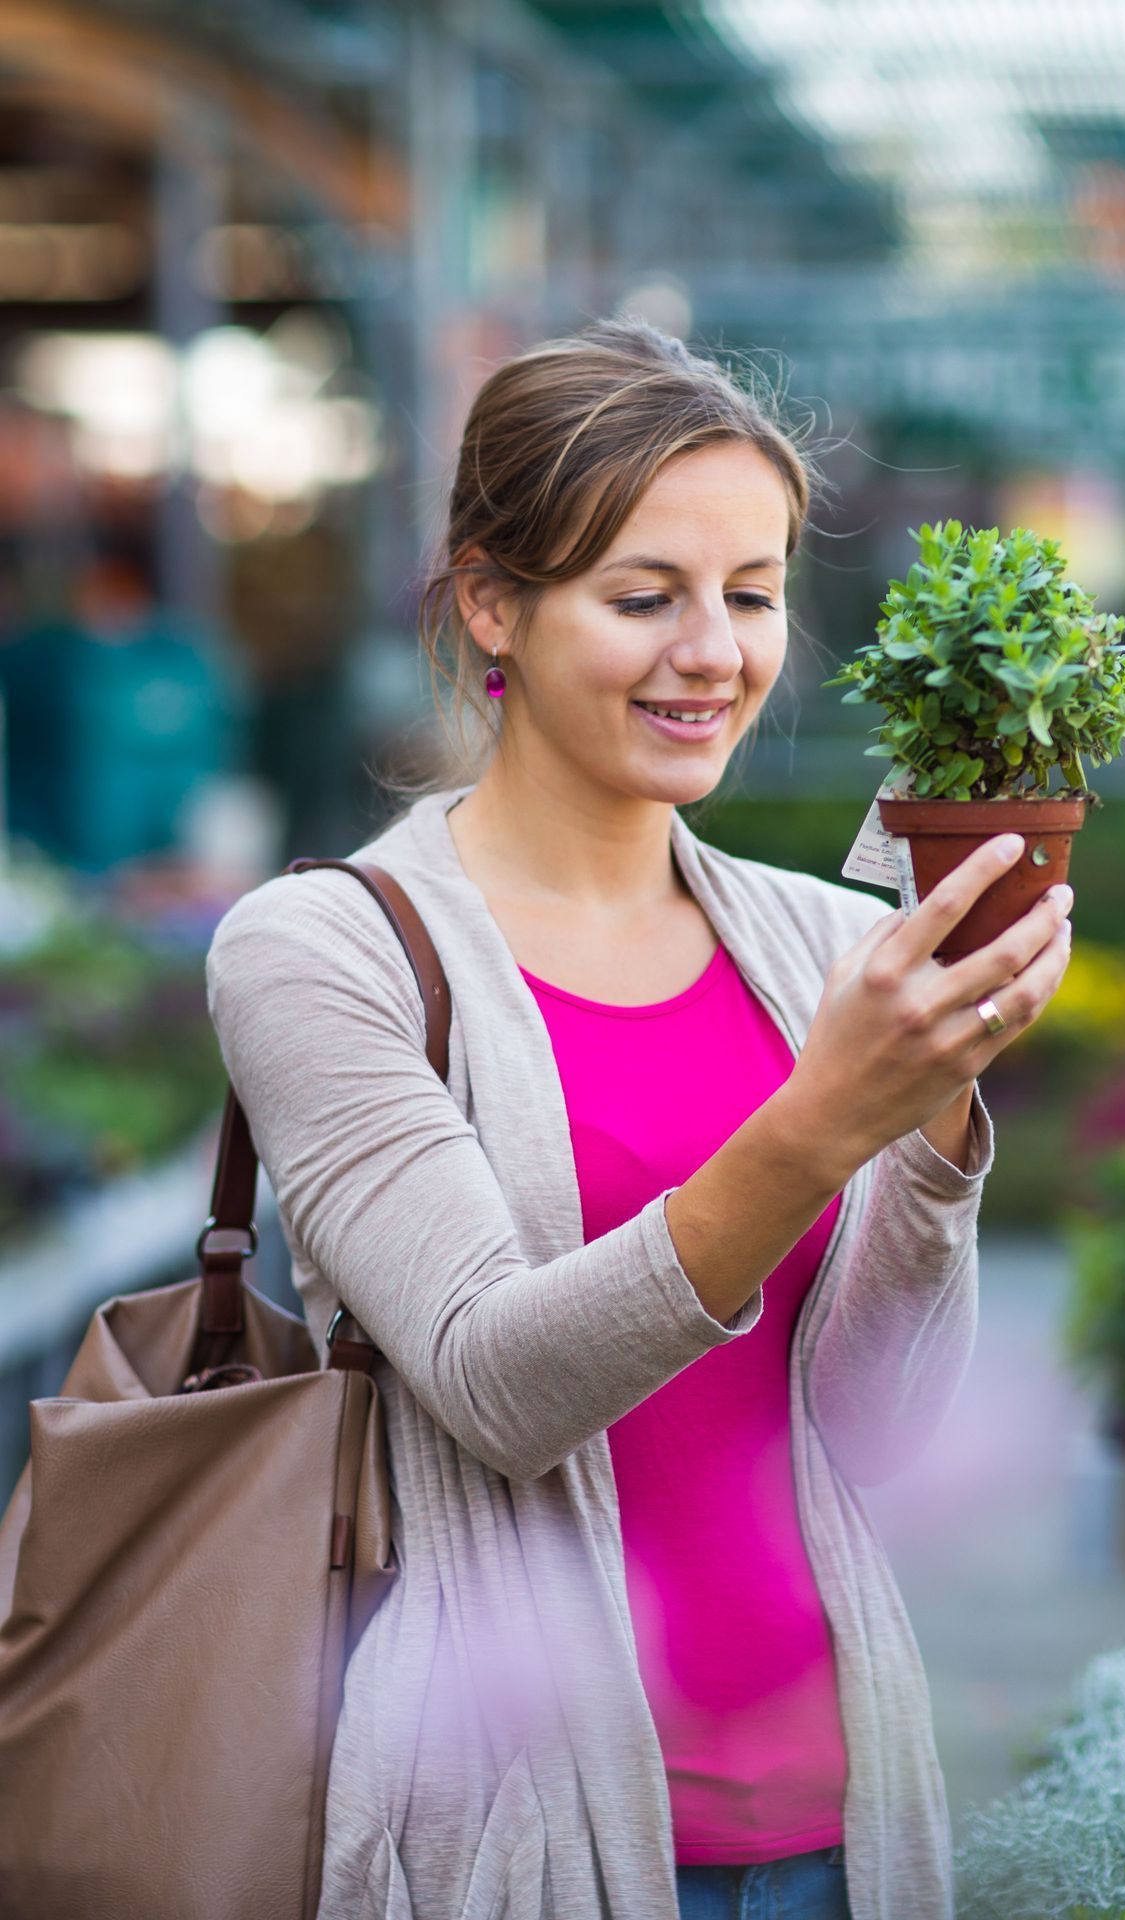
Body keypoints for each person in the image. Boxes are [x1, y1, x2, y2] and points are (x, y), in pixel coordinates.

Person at [202, 315, 1074, 1920]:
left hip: (840, 1818)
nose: (714, 652)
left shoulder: (817, 944)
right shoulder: (324, 949)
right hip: (514, 1830)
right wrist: (821, 1125)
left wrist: (937, 1120)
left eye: (750, 594)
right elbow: (495, 1381)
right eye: (642, 596)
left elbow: (875, 1431)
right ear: (492, 605)